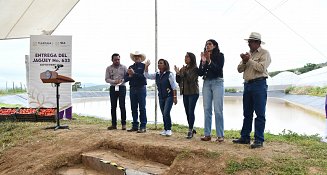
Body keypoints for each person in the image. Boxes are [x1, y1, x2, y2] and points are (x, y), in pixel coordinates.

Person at [233, 32, 271, 149]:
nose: (249, 43)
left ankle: (259, 139)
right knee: (247, 113)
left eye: (251, 41)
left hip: (259, 84)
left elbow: (261, 68)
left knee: (260, 113)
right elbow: (239, 69)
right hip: (248, 85)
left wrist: (249, 60)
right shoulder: (248, 54)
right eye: (249, 41)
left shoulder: (265, 53)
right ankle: (245, 137)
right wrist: (244, 61)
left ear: (258, 43)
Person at [198, 39, 225, 142]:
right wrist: (203, 62)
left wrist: (209, 61)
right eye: (206, 44)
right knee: (207, 109)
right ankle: (207, 134)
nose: (207, 45)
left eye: (209, 44)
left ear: (214, 45)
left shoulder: (220, 56)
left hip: (217, 82)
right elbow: (200, 73)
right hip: (206, 83)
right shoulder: (204, 56)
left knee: (218, 110)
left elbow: (218, 70)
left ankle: (220, 136)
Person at [144, 59, 178, 136]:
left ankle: (169, 129)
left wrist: (175, 97)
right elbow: (147, 75)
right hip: (161, 96)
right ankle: (165, 129)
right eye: (158, 63)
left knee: (166, 112)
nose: (159, 64)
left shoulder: (170, 74)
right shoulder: (157, 74)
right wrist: (146, 66)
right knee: (163, 113)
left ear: (165, 65)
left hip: (169, 96)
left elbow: (174, 86)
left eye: (161, 63)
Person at [174, 52, 199, 139]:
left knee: (191, 111)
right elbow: (178, 80)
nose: (185, 58)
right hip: (185, 92)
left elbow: (191, 80)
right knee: (187, 111)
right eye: (185, 57)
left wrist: (183, 72)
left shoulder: (195, 68)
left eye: (187, 57)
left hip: (193, 92)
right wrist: (177, 73)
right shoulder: (183, 68)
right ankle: (192, 128)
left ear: (192, 58)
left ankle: (190, 129)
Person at [124, 51, 148, 133]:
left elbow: (144, 77)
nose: (137, 57)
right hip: (132, 89)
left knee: (142, 108)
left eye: (138, 56)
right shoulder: (130, 67)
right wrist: (130, 75)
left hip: (141, 88)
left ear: (141, 57)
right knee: (133, 108)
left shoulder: (144, 66)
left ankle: (143, 126)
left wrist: (134, 74)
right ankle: (135, 125)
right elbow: (126, 78)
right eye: (135, 56)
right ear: (133, 58)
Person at [105, 53, 127, 130]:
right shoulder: (108, 68)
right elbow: (107, 79)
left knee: (122, 106)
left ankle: (124, 124)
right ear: (112, 60)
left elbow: (127, 77)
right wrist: (114, 81)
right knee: (113, 106)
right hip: (113, 88)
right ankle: (114, 124)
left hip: (122, 88)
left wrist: (122, 80)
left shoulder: (124, 67)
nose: (117, 61)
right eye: (115, 60)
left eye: (118, 59)